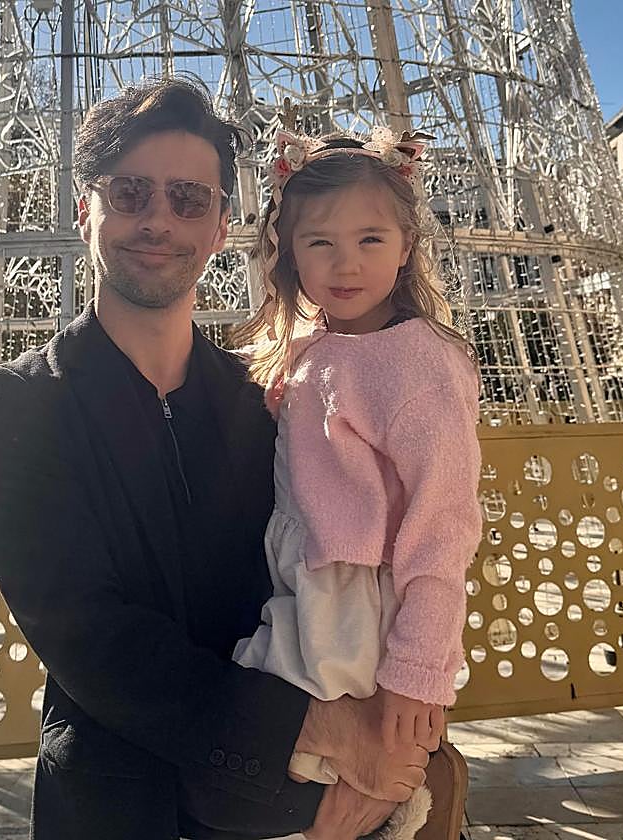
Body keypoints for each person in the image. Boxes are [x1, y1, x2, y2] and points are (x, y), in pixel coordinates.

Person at [0, 78, 436, 840]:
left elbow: (370, 556)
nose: (158, 220)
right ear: (84, 209)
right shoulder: (20, 405)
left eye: (188, 199)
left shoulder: (266, 399)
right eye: (129, 193)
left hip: (286, 803)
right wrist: (318, 735)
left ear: (221, 226)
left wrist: (380, 754)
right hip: (123, 805)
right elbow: (88, 635)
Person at [231, 125, 482, 839]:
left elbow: (442, 526)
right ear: (289, 251)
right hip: (308, 591)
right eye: (321, 242)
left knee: (335, 757)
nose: (347, 263)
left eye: (371, 239)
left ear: (406, 248)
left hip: (356, 606)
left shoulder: (418, 363)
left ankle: (408, 806)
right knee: (290, 749)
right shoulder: (316, 347)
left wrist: (419, 668)